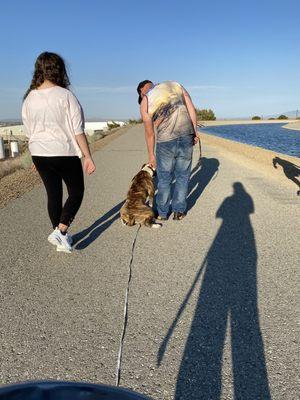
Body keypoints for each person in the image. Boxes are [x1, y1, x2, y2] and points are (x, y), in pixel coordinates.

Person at [22, 52, 96, 253]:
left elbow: (29, 131)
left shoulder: (29, 97)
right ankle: (61, 231)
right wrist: (88, 156)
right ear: (59, 69)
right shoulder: (66, 95)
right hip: (63, 151)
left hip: (39, 153)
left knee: (53, 195)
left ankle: (60, 235)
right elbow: (78, 130)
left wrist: (33, 156)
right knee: (76, 192)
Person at [137, 80, 198, 221]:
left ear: (141, 91)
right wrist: (194, 132)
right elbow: (190, 106)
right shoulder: (174, 85)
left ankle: (162, 213)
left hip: (165, 140)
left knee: (164, 178)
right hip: (186, 134)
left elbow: (149, 132)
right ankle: (179, 212)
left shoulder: (145, 100)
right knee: (182, 175)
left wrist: (151, 155)